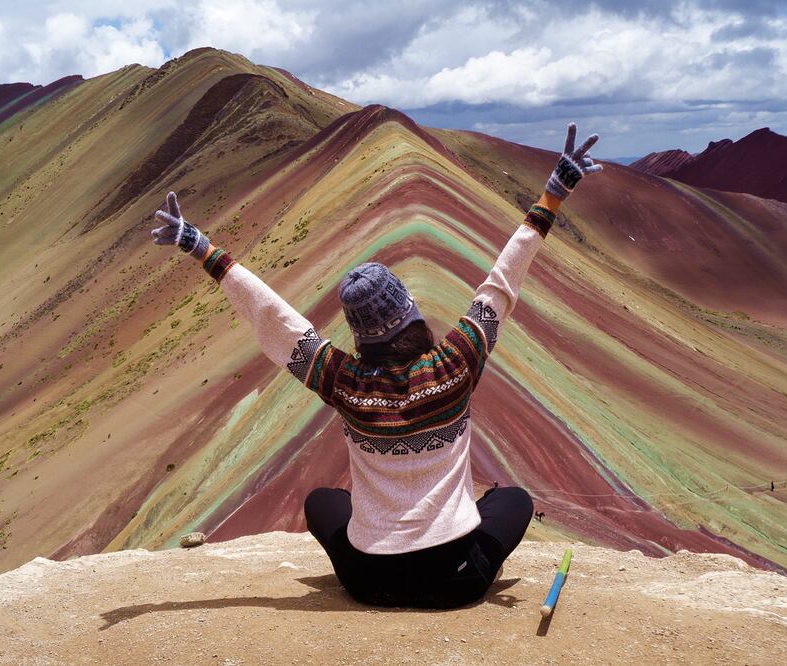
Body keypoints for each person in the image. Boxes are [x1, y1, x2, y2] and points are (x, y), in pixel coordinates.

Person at [151, 122, 602, 608]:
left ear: (359, 333)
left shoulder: (343, 381)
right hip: (456, 580)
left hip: (369, 582)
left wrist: (202, 248)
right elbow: (500, 287)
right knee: (514, 501)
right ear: (409, 312)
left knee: (323, 502)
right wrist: (551, 197)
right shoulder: (456, 364)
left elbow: (275, 319)